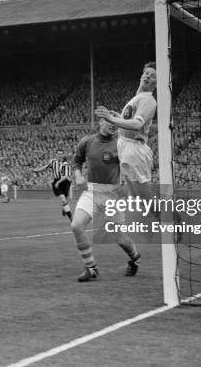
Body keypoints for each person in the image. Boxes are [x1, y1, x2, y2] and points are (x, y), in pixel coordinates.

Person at [71, 116, 142, 282]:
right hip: (92, 191)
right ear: (101, 122)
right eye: (110, 122)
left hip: (114, 194)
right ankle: (91, 268)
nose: (113, 125)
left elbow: (129, 167)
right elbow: (76, 161)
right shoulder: (87, 142)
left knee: (121, 240)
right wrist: (78, 175)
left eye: (116, 123)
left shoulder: (120, 144)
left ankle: (135, 258)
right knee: (76, 225)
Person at [95, 62, 157, 210]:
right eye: (146, 73)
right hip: (127, 146)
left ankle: (174, 220)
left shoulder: (148, 100)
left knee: (144, 196)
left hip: (134, 149)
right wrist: (118, 116)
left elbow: (136, 124)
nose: (147, 76)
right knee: (137, 197)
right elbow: (130, 121)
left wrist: (112, 119)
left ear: (157, 82)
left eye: (152, 75)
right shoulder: (138, 97)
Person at [32, 149, 73, 221]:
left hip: (65, 181)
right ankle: (71, 218)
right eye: (58, 154)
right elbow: (46, 167)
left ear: (63, 155)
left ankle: (64, 208)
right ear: (56, 154)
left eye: (61, 154)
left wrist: (58, 182)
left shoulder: (65, 164)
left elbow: (66, 176)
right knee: (63, 199)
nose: (60, 155)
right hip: (57, 181)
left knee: (65, 199)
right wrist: (37, 170)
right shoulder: (53, 161)